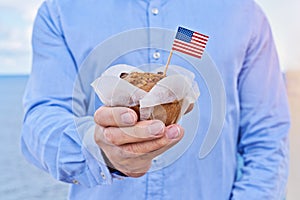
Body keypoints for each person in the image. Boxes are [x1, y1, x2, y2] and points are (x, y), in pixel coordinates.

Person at [21, 0, 290, 199]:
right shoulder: (63, 10)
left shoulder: (242, 13)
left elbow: (268, 138)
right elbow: (40, 119)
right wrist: (100, 148)